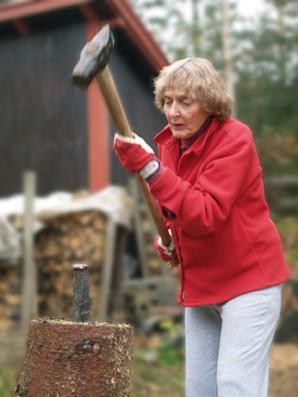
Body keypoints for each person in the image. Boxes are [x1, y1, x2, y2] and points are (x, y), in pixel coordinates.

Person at [113, 57, 289, 397]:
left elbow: (205, 213)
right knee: (200, 391)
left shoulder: (234, 139)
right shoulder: (169, 144)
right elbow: (176, 210)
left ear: (209, 103)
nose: (172, 112)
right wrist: (169, 241)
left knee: (236, 386)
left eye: (184, 102)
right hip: (203, 287)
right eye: (167, 101)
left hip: (248, 284)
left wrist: (150, 168)